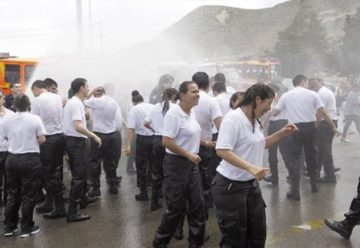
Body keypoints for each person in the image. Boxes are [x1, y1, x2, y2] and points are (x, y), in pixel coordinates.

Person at [212, 83, 298, 247]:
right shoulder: (233, 118)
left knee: (258, 235)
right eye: (269, 102)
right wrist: (250, 167)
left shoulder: (254, 120)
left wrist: (282, 133)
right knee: (235, 240)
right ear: (258, 99)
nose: (270, 108)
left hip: (251, 185)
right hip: (230, 187)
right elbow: (222, 150)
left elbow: (259, 144)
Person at [152, 81, 205, 248]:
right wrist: (188, 154)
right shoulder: (174, 114)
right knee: (176, 207)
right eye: (193, 92)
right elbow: (166, 141)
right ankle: (160, 242)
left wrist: (204, 143)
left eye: (198, 91)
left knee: (198, 206)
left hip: (192, 164)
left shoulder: (191, 112)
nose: (197, 94)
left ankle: (195, 243)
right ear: (182, 95)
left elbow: (189, 135)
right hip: (176, 165)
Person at [273, 75, 337, 200]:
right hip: (310, 128)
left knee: (295, 158)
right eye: (307, 82)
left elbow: (275, 112)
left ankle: (295, 191)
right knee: (311, 156)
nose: (308, 84)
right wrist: (333, 126)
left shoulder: (287, 95)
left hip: (294, 129)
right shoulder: (312, 94)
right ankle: (313, 185)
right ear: (303, 81)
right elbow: (323, 112)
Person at [3, 94, 46, 237]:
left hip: (12, 158)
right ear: (29, 105)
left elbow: (6, 137)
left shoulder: (8, 120)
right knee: (29, 194)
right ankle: (26, 228)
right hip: (30, 159)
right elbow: (42, 139)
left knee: (13, 193)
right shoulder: (34, 119)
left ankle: (9, 227)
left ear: (14, 105)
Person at [63, 78, 101, 222]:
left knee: (80, 175)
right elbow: (78, 126)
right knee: (79, 178)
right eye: (87, 86)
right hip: (77, 142)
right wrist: (94, 136)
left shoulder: (73, 102)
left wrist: (91, 92)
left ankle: (82, 200)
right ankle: (72, 212)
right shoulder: (76, 104)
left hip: (72, 142)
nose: (88, 89)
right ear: (81, 88)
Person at [30, 80, 66, 219]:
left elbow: (34, 122)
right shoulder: (57, 97)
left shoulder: (37, 101)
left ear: (36, 88)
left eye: (33, 91)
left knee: (49, 175)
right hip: (59, 138)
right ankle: (49, 202)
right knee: (55, 172)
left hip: (47, 140)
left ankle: (59, 207)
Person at [192, 72, 223, 214]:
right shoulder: (211, 101)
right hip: (206, 144)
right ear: (208, 84)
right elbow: (220, 124)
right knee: (206, 175)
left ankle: (193, 203)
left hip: (188, 144)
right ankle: (207, 203)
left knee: (191, 175)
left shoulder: (186, 99)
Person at [84, 86, 122, 196]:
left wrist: (91, 92)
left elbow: (81, 102)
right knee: (110, 161)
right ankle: (113, 185)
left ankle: (96, 189)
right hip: (112, 135)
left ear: (97, 93)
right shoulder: (112, 101)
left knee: (95, 162)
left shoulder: (97, 101)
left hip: (100, 135)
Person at [145, 88, 178, 211]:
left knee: (156, 172)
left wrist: (155, 129)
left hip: (157, 141)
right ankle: (170, 202)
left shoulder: (154, 107)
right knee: (170, 171)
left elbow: (146, 123)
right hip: (170, 141)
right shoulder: (175, 108)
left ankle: (154, 202)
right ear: (173, 96)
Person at [125, 90, 154, 201]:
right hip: (154, 138)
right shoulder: (152, 106)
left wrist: (128, 145)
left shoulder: (134, 109)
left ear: (133, 102)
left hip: (142, 140)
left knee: (141, 166)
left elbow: (131, 129)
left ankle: (143, 192)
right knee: (154, 164)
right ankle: (157, 191)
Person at [308, 78, 338, 182]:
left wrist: (315, 125)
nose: (311, 90)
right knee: (322, 150)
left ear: (313, 85)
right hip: (329, 122)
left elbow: (321, 112)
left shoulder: (321, 94)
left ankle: (330, 176)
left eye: (311, 88)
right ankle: (320, 173)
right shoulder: (325, 91)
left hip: (325, 123)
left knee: (325, 150)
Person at [0, 89, 14, 208]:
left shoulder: (11, 115)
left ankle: (8, 209)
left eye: (0, 97)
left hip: (9, 152)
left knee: (10, 182)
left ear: (3, 99)